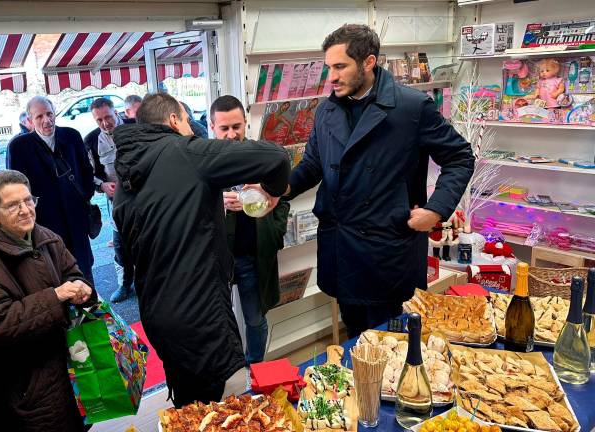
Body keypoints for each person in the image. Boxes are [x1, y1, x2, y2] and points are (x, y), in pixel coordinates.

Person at [286, 24, 475, 338]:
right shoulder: (326, 111)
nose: (331, 77)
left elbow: (460, 157)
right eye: (328, 67)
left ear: (368, 62)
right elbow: (313, 165)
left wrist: (436, 210)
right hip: (341, 249)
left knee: (394, 345)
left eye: (340, 67)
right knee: (357, 342)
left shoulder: (411, 107)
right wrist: (277, 189)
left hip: (387, 251)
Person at [112, 92, 290, 407]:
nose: (193, 130)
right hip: (200, 314)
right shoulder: (185, 151)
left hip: (157, 314)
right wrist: (271, 193)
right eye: (187, 121)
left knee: (188, 407)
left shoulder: (126, 176)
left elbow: (126, 254)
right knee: (228, 411)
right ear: (173, 120)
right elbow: (276, 157)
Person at [0, 170, 95, 432]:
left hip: (71, 370)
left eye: (28, 200)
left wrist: (82, 288)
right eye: (13, 205)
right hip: (29, 388)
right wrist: (55, 297)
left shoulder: (45, 236)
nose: (25, 210)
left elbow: (73, 274)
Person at [211, 95, 290, 365]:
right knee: (217, 319)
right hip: (217, 257)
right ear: (213, 128)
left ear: (246, 123)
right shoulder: (202, 160)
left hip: (253, 254)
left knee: (255, 319)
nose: (232, 134)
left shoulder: (264, 156)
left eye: (237, 126)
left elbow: (283, 196)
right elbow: (189, 204)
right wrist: (216, 204)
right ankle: (228, 369)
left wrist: (276, 230)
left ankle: (255, 368)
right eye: (225, 129)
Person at [7, 96, 95, 281]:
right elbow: (15, 187)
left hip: (76, 219)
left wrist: (83, 199)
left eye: (49, 114)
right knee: (55, 275)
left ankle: (89, 307)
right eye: (39, 117)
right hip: (45, 223)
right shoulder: (19, 146)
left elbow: (86, 171)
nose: (46, 120)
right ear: (29, 121)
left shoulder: (71, 136)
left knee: (84, 272)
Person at [83, 97, 134, 302]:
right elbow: (89, 174)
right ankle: (124, 284)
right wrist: (102, 185)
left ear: (117, 112)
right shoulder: (91, 140)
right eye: (99, 120)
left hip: (144, 195)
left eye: (108, 117)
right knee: (120, 243)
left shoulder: (135, 127)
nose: (105, 123)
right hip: (116, 199)